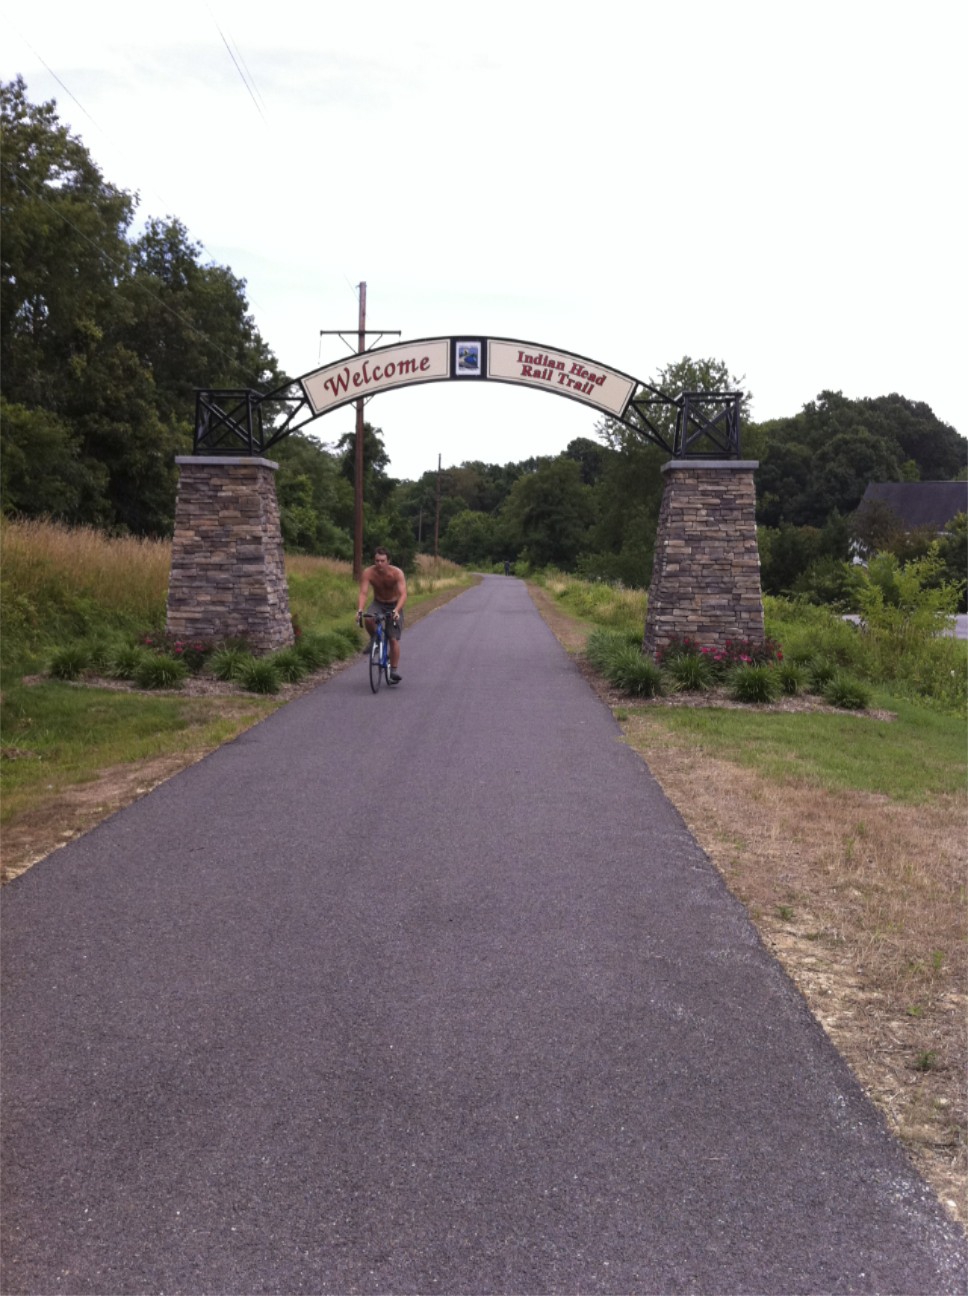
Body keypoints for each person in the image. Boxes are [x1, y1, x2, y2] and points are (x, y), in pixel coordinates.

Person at [357, 547, 407, 684]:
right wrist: (360, 610)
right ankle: (375, 639)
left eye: (382, 561)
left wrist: (397, 610)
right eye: (377, 561)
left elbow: (403, 594)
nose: (379, 564)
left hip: (394, 605)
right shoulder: (369, 573)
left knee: (393, 639)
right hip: (378, 603)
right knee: (368, 617)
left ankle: (394, 671)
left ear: (388, 561)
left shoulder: (396, 573)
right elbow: (363, 593)